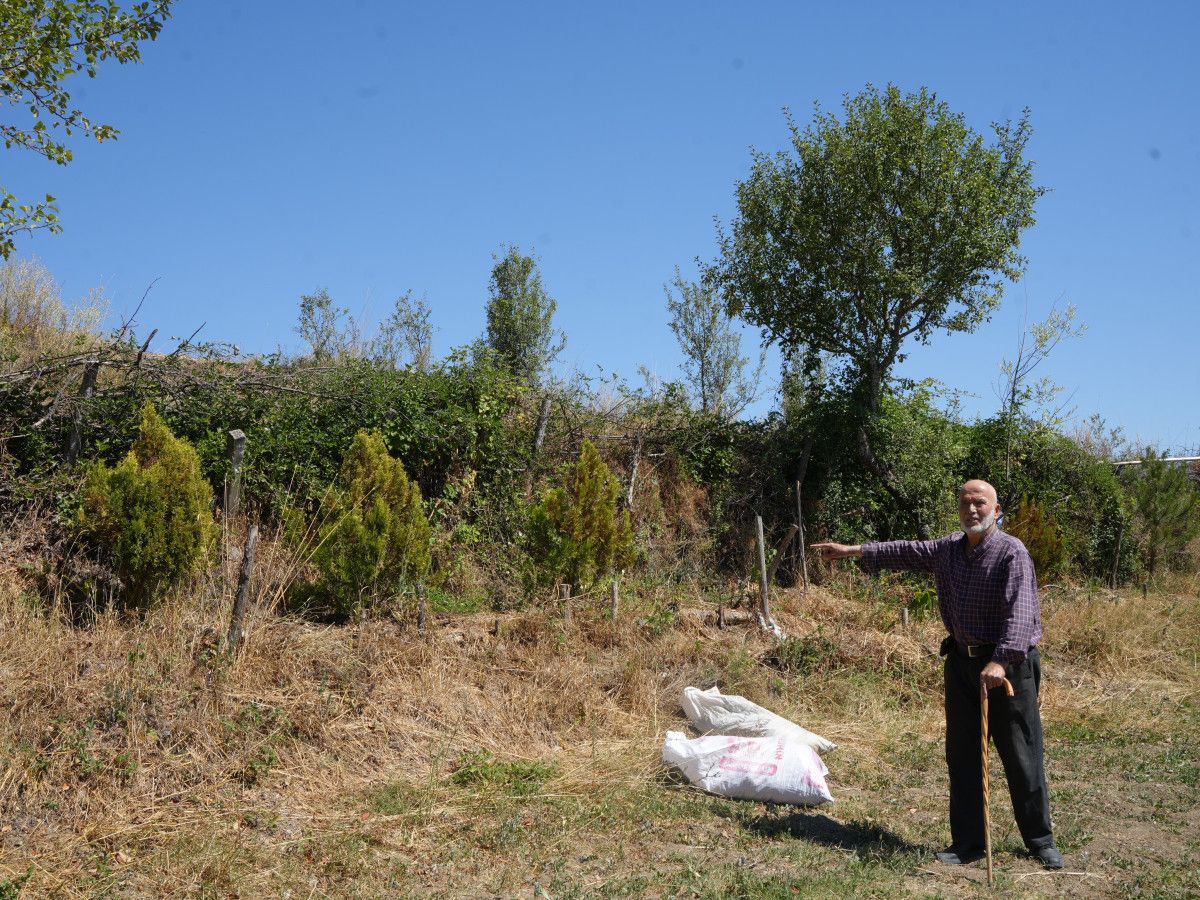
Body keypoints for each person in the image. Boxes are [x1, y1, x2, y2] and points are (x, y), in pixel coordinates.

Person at [811, 479, 1063, 870]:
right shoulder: (948, 549)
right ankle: (969, 843)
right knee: (962, 755)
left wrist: (1000, 660)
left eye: (980, 503)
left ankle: (1039, 840)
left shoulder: (1012, 553)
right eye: (965, 504)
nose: (972, 510)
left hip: (1008, 668)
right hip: (962, 665)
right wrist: (852, 551)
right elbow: (906, 552)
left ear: (997, 511)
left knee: (1021, 754)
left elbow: (1021, 612)